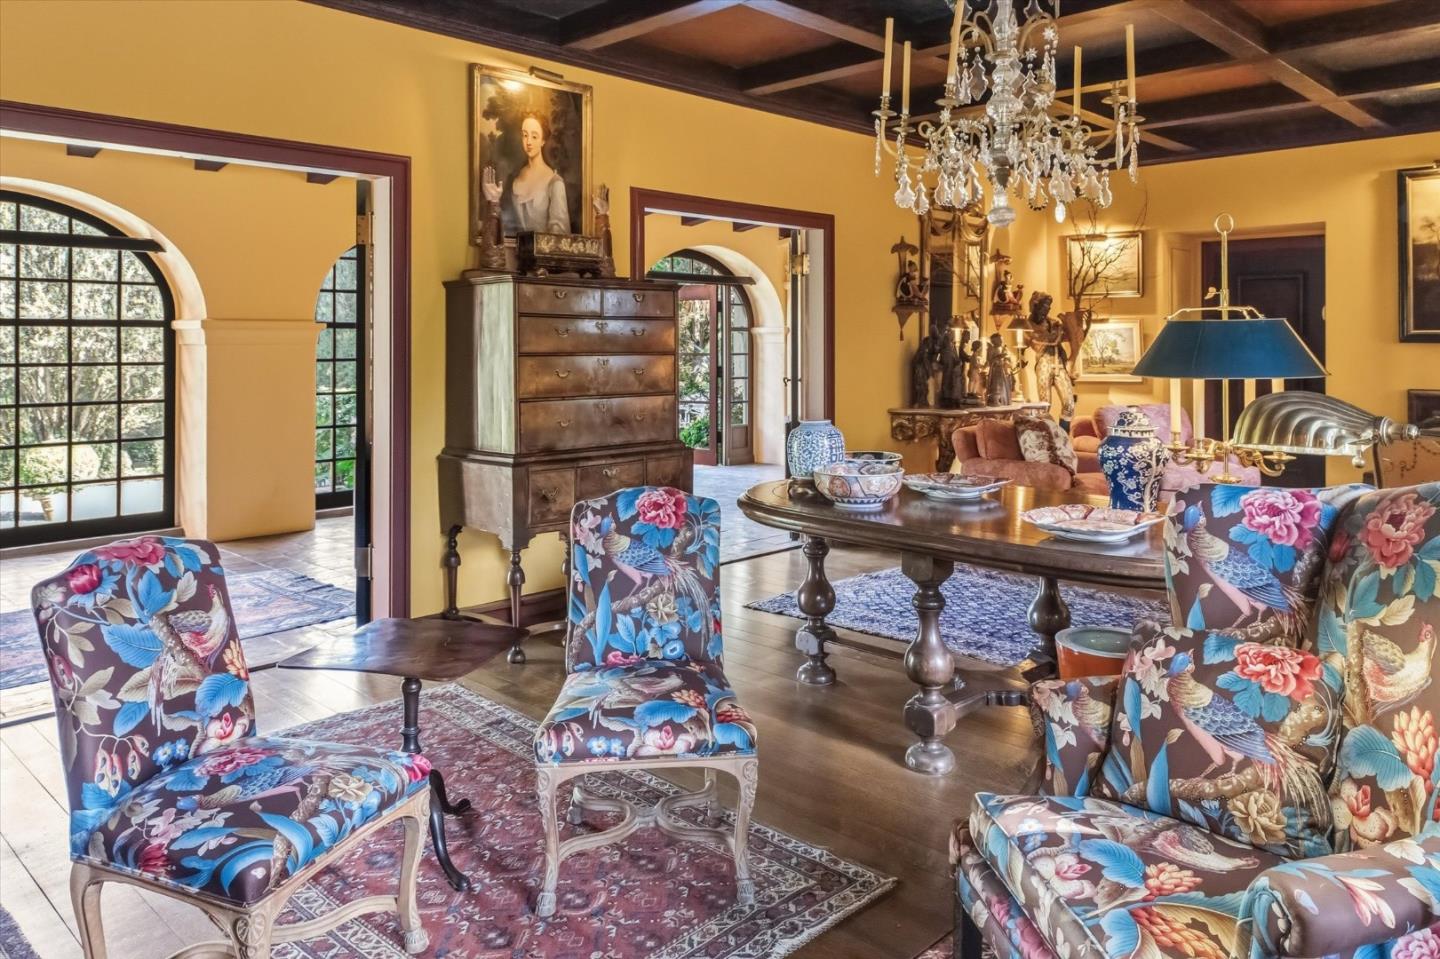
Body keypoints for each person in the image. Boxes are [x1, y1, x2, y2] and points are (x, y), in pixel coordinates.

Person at [503, 112, 571, 234]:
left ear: (543, 140)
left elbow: (560, 237)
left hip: (543, 252)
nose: (528, 142)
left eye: (534, 137)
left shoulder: (555, 183)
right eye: (525, 135)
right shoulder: (514, 178)